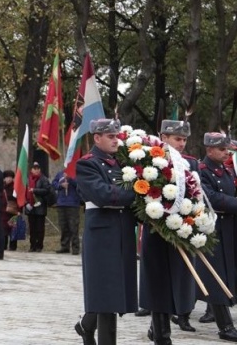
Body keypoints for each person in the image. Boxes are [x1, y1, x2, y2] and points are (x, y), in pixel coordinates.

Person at [74, 119, 137, 345]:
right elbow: (102, 194)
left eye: (116, 136)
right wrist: (137, 193)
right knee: (106, 294)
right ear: (97, 137)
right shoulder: (87, 164)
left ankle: (86, 326)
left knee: (113, 292)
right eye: (110, 136)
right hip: (101, 236)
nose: (115, 140)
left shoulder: (122, 163)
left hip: (122, 233)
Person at [138, 120, 198, 343]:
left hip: (181, 232)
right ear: (163, 137)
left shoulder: (190, 164)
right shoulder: (148, 161)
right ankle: (162, 333)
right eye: (177, 139)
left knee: (178, 283)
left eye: (184, 140)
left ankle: (161, 326)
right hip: (157, 231)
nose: (181, 144)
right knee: (158, 282)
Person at [196, 132, 237, 342]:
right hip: (211, 230)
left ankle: (159, 323)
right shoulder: (202, 171)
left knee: (223, 276)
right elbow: (210, 196)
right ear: (209, 150)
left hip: (227, 229)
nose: (226, 152)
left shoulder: (225, 169)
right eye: (222, 149)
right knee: (215, 278)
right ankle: (225, 327)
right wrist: (236, 203)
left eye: (227, 149)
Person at [51, 169, 81, 255]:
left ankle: (75, 248)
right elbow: (54, 184)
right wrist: (61, 185)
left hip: (73, 204)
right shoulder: (60, 173)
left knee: (73, 227)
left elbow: (79, 185)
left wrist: (70, 179)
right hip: (61, 203)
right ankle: (64, 246)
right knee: (63, 226)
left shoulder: (76, 173)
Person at [25, 162, 51, 252]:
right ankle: (32, 245)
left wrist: (35, 190)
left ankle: (39, 246)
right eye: (34, 168)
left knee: (40, 228)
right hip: (30, 206)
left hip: (40, 206)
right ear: (31, 170)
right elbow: (24, 192)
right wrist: (26, 203)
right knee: (32, 228)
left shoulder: (43, 179)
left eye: (38, 168)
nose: (36, 170)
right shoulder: (27, 179)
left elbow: (47, 190)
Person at [0, 170, 18, 251]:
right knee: (4, 228)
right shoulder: (1, 186)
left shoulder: (15, 187)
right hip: (3, 210)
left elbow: (17, 198)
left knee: (13, 228)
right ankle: (3, 245)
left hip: (13, 210)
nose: (9, 179)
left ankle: (13, 246)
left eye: (10, 177)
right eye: (7, 177)